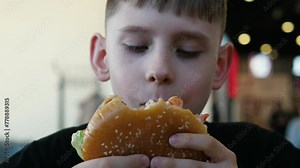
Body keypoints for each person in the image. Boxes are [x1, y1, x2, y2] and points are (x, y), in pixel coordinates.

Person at [1, 0, 299, 167]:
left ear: (219, 66)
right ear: (103, 57)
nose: (159, 70)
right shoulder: (41, 160)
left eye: (188, 51)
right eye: (136, 45)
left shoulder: (265, 153)